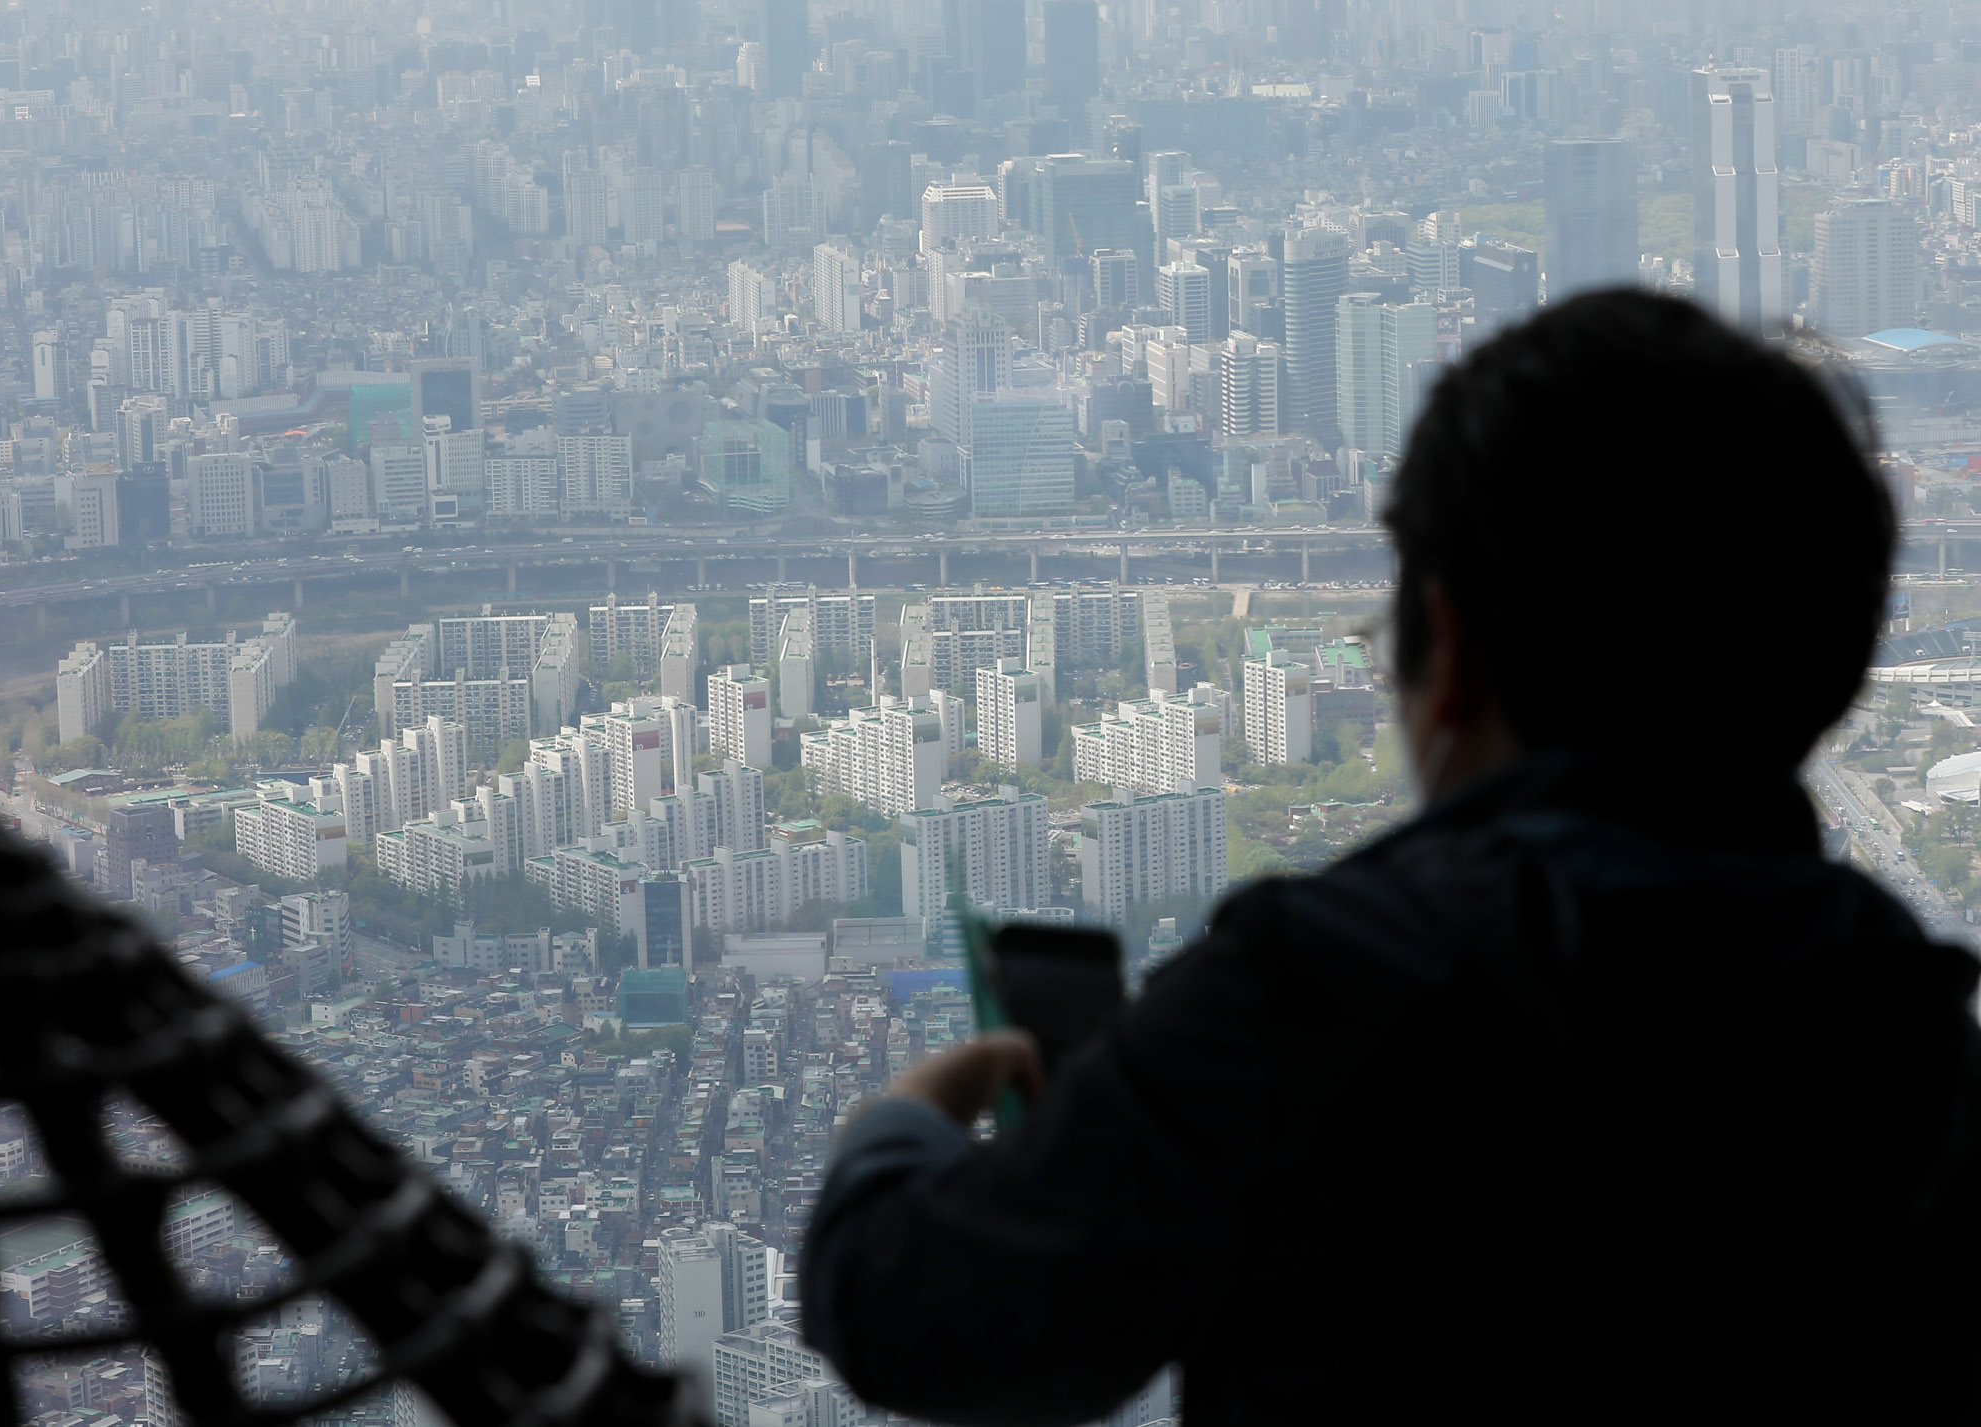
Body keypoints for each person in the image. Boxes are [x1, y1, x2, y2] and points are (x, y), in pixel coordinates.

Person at [801, 291, 1981, 1424]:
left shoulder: (1311, 993)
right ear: (1824, 665)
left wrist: (905, 1122)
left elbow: (910, 1312)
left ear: (1449, 646)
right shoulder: (1915, 1038)